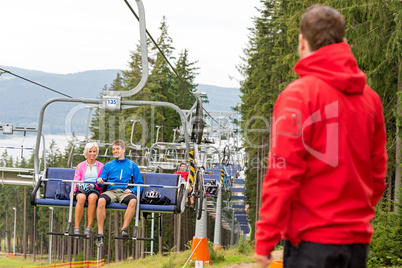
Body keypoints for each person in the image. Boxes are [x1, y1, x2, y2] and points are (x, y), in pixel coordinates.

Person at [254, 5, 387, 268]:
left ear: (302, 42)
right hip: (356, 244)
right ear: (343, 41)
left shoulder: (298, 96)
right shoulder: (370, 99)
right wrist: (353, 216)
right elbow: (377, 174)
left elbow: (283, 173)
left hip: (311, 243)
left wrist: (265, 239)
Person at [95, 140, 144, 247]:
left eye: (117, 149)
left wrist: (132, 191)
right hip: (111, 191)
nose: (115, 151)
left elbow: (140, 183)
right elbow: (100, 182)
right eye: (113, 149)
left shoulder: (132, 165)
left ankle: (124, 229)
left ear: (123, 150)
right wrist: (100, 181)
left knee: (133, 200)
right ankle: (100, 234)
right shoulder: (108, 165)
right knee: (101, 200)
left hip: (124, 192)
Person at [73, 142, 104, 239]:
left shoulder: (101, 166)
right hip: (82, 188)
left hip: (94, 189)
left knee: (92, 198)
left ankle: (89, 227)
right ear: (86, 153)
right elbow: (76, 180)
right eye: (90, 151)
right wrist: (76, 189)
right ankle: (76, 227)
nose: (92, 153)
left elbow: (102, 181)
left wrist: (95, 185)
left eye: (94, 151)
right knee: (81, 198)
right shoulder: (80, 166)